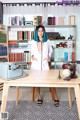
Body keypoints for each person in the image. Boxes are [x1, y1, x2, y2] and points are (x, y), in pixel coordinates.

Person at [31, 25, 59, 106]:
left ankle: (56, 97)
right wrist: (32, 56)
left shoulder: (48, 41)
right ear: (36, 32)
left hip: (44, 64)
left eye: (42, 31)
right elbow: (32, 51)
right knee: (37, 82)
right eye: (39, 31)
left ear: (44, 32)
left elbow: (51, 50)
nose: (40, 32)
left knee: (51, 81)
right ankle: (39, 97)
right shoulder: (33, 42)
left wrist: (49, 56)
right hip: (36, 65)